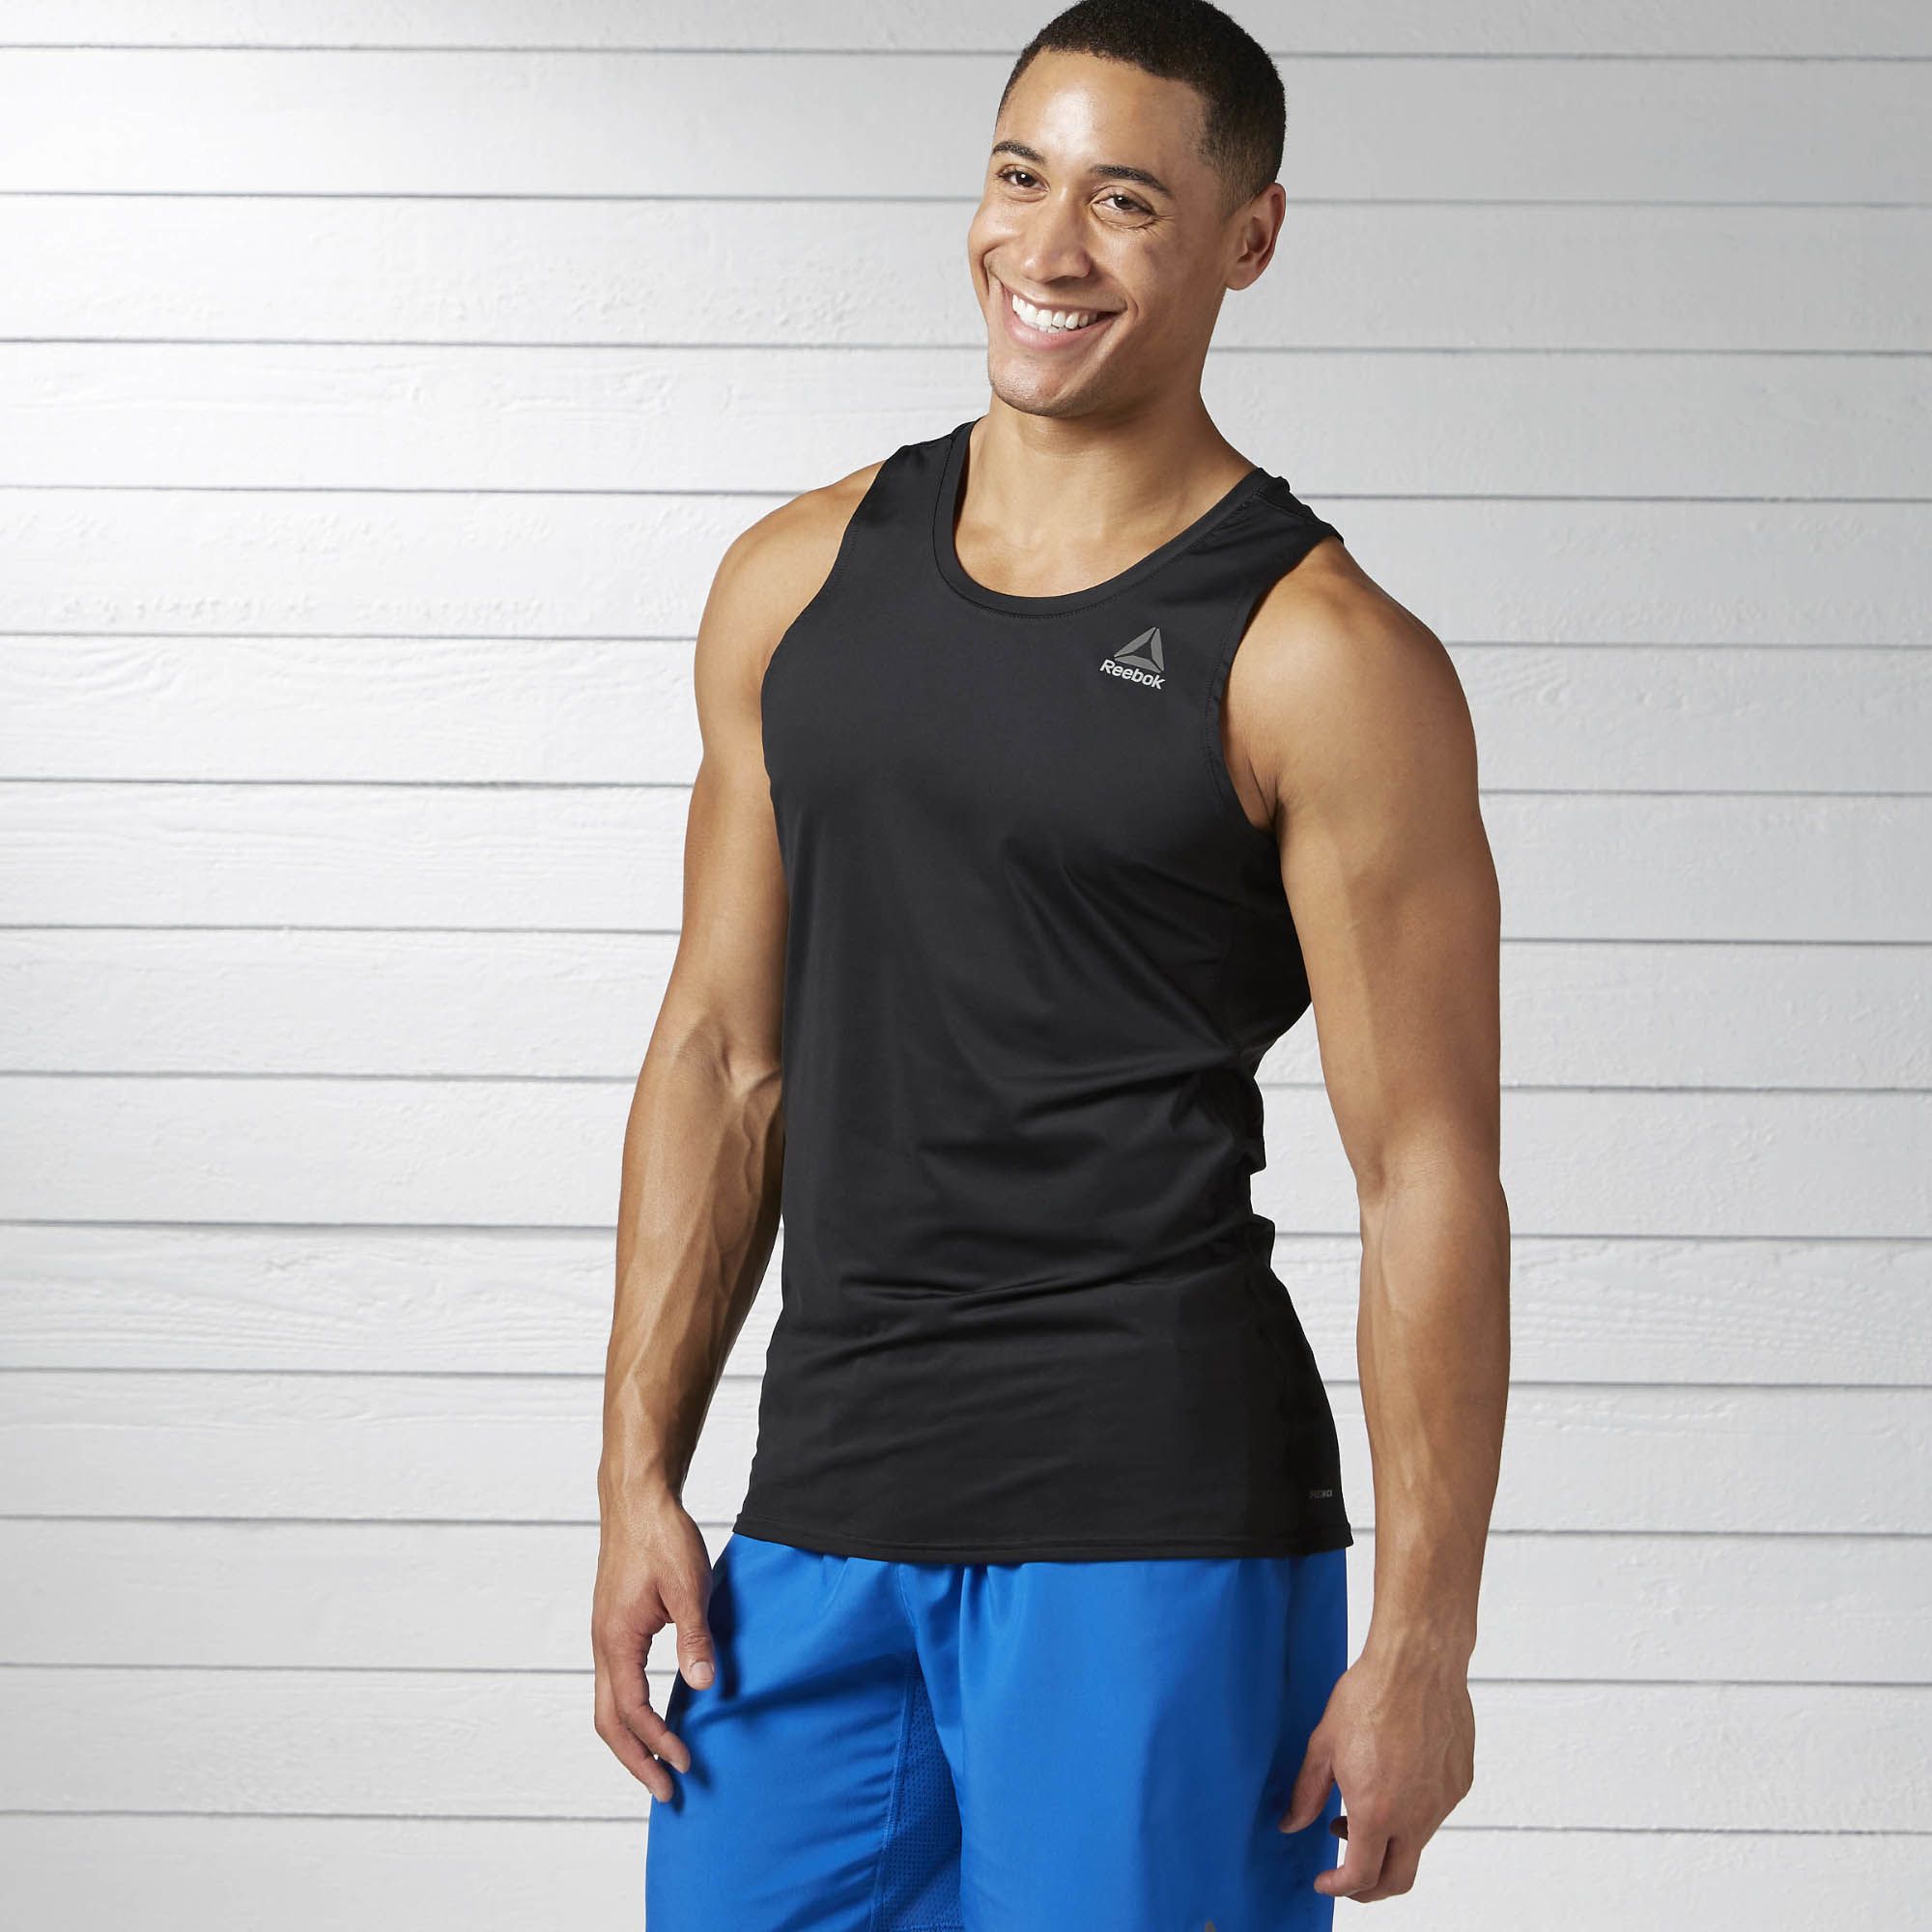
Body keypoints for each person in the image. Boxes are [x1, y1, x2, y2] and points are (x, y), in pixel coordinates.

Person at [595, 2, 1509, 1923]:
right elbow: (721, 1058)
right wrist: (635, 1471)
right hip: (822, 1507)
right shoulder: (797, 579)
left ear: (1248, 236)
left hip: (1153, 1529)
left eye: (1125, 201)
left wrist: (1423, 1640)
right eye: (1021, 176)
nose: (1048, 245)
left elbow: (1423, 1170)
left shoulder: (1322, 656)